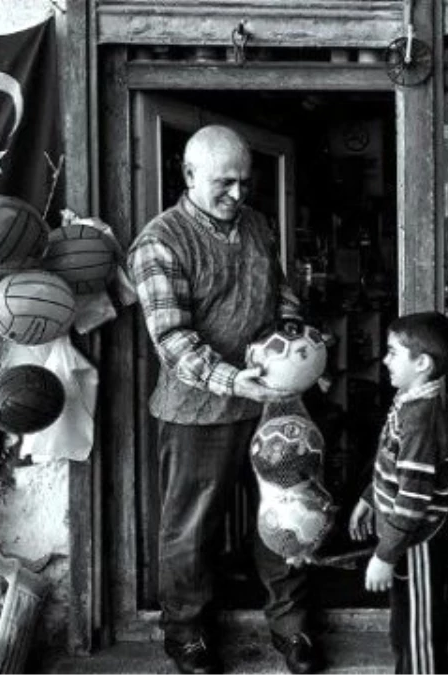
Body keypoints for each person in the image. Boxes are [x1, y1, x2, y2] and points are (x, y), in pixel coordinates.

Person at [128, 124, 321, 675]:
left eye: (244, 182)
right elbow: (172, 342)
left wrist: (295, 338)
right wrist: (236, 380)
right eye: (223, 184)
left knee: (287, 512)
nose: (237, 195)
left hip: (271, 406)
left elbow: (280, 290)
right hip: (199, 411)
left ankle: (292, 628)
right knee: (191, 528)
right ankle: (186, 634)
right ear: (188, 176)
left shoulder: (257, 224)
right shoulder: (160, 241)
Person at [349, 311, 448, 675]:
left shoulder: (420, 419)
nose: (385, 360)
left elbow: (413, 499)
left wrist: (384, 555)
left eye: (394, 352)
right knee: (403, 626)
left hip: (417, 543)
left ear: (422, 363)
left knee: (419, 632)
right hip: (403, 540)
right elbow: (393, 464)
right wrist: (370, 497)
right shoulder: (409, 401)